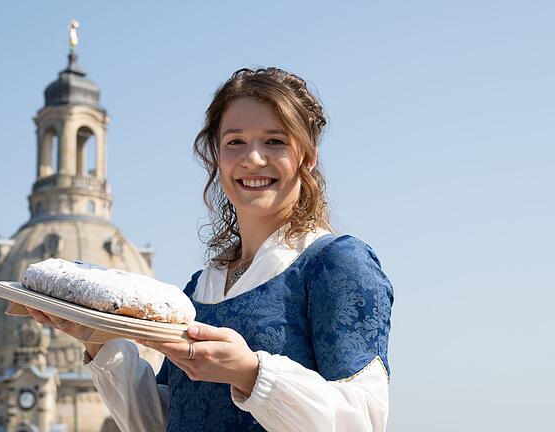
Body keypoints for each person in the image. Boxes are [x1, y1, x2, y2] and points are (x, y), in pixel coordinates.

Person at [24, 67, 394, 432]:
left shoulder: (336, 264)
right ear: (217, 156)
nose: (253, 158)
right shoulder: (202, 286)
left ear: (307, 157)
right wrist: (100, 340)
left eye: (275, 141)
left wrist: (251, 373)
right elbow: (162, 423)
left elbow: (363, 422)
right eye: (235, 142)